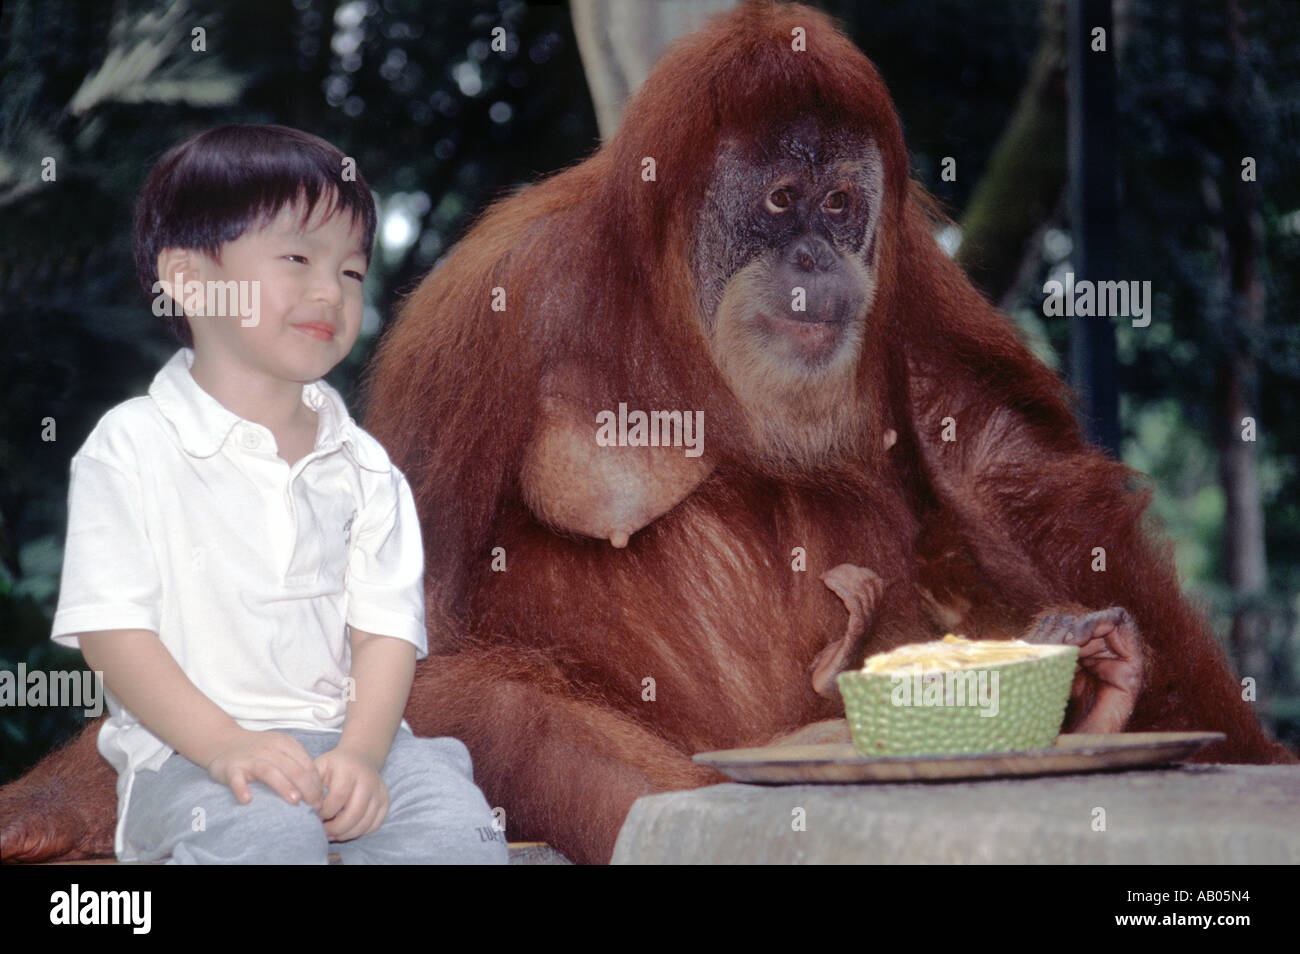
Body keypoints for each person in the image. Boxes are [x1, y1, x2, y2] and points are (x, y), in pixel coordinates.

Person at [50, 124, 507, 864]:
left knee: (460, 829)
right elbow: (113, 635)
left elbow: (384, 634)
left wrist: (362, 754)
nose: (331, 289)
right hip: (190, 749)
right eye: (297, 258)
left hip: (358, 740)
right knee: (266, 832)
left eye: (353, 272)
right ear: (191, 280)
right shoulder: (132, 446)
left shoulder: (366, 468)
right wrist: (227, 744)